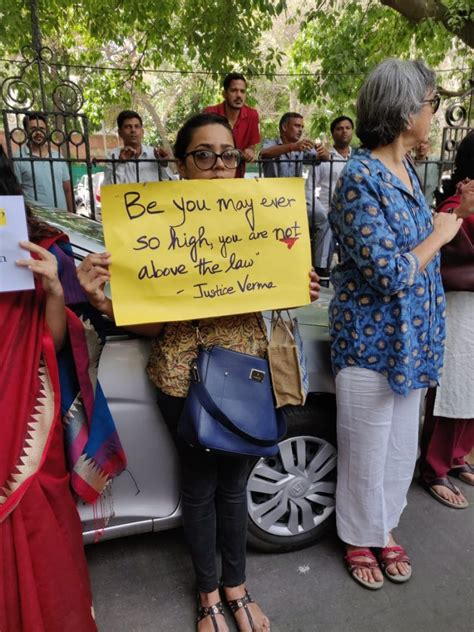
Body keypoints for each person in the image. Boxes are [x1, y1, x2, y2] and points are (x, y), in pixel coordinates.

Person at [77, 112, 320, 632]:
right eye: (204, 155)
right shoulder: (155, 229)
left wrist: (301, 287)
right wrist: (108, 303)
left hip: (248, 374)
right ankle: (208, 593)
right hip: (181, 379)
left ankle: (238, 586)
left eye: (228, 155)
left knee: (234, 487)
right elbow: (150, 327)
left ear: (239, 163)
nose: (218, 166)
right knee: (199, 486)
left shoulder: (261, 217)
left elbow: (278, 297)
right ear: (182, 165)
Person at [328, 59, 462, 590]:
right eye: (430, 104)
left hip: (413, 341)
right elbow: (389, 271)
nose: (433, 113)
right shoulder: (360, 176)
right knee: (365, 443)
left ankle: (384, 528)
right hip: (371, 340)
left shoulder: (405, 171)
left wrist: (435, 230)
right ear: (406, 111)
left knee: (401, 444)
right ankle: (358, 535)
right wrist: (440, 234)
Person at [0, 147, 97, 631]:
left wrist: (55, 289)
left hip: (23, 423)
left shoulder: (30, 242)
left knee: (38, 537)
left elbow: (53, 344)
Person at [419, 131, 474, 509]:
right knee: (453, 383)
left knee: (471, 386)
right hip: (461, 304)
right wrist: (462, 212)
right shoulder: (459, 200)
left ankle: (457, 457)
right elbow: (441, 240)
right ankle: (434, 465)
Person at [260, 112, 332, 273]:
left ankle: (320, 268)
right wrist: (293, 147)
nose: (300, 130)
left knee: (324, 219)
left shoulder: (301, 148)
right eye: (297, 126)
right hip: (273, 199)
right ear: (285, 127)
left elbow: (322, 158)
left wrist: (323, 152)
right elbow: (264, 154)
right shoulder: (271, 143)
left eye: (302, 127)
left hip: (296, 196)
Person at [309, 116, 354, 281]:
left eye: (347, 128)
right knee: (327, 226)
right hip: (328, 210)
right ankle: (322, 272)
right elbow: (310, 186)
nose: (344, 131)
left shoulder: (357, 158)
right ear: (333, 133)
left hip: (352, 213)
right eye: (339, 128)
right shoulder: (323, 158)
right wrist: (320, 209)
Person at [13, 113, 73, 212]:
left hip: (63, 219)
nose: (38, 132)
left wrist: (72, 216)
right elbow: (16, 194)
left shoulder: (57, 156)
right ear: (25, 131)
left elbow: (68, 190)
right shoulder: (18, 158)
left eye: (42, 128)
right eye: (33, 128)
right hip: (37, 221)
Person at [204, 73, 260, 178]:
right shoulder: (209, 112)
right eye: (234, 90)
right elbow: (205, 147)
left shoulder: (252, 115)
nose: (239, 95)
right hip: (212, 175)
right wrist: (237, 152)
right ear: (224, 94)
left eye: (242, 91)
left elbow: (251, 148)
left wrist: (250, 152)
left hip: (237, 178)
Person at [103, 109, 172, 185]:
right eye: (128, 127)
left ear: (142, 132)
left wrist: (163, 165)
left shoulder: (154, 154)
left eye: (137, 126)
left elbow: (168, 184)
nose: (133, 130)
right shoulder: (113, 156)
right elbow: (109, 189)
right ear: (120, 133)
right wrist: (121, 163)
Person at [413, 138, 440, 207]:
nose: (421, 145)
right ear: (413, 146)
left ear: (429, 146)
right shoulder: (408, 163)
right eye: (418, 142)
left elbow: (454, 161)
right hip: (413, 207)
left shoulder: (435, 161)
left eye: (425, 143)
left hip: (430, 206)